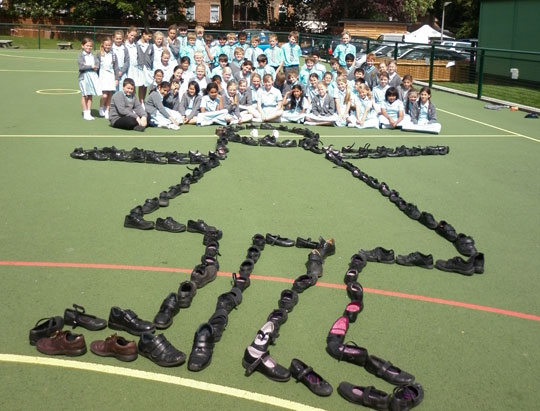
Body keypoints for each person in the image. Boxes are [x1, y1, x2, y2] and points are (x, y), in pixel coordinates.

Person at [78, 38, 101, 121]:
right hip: (84, 77)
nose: (89, 47)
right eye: (87, 45)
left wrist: (90, 66)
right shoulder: (81, 56)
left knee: (90, 95)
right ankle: (85, 112)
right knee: (85, 95)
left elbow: (97, 65)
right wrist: (91, 66)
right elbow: (81, 67)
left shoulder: (93, 56)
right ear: (83, 46)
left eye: (90, 46)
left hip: (92, 77)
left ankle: (89, 112)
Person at [96, 37, 117, 120]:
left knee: (110, 94)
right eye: (106, 45)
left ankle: (107, 111)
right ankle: (101, 107)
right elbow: (97, 67)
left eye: (109, 45)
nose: (108, 46)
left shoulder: (113, 54)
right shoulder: (99, 54)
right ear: (103, 45)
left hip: (111, 76)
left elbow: (116, 67)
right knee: (104, 95)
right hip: (103, 75)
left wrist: (116, 79)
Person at [135, 28, 154, 103]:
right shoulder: (137, 44)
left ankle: (143, 100)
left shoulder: (150, 45)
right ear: (143, 34)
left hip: (147, 68)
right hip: (139, 68)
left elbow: (152, 56)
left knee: (146, 85)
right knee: (141, 85)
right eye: (148, 36)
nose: (150, 38)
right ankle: (140, 101)